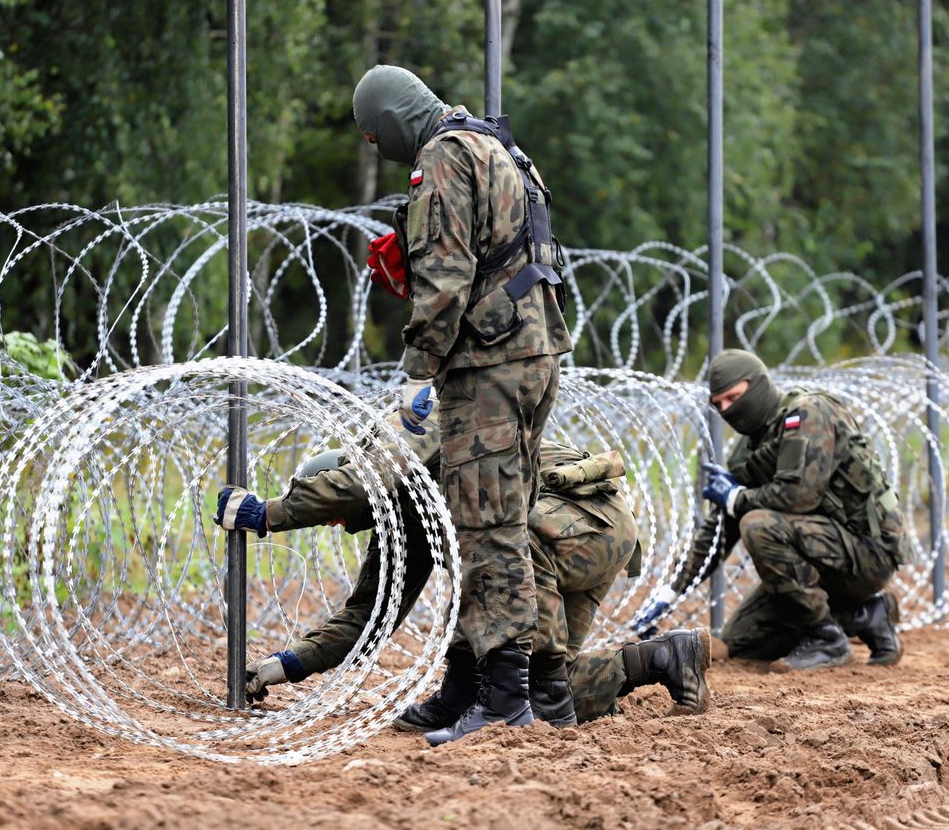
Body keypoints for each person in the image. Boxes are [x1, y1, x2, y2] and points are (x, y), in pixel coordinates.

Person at [214, 409, 711, 744]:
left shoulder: (407, 437)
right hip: (568, 537)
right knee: (539, 692)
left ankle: (465, 689)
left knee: (492, 562)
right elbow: (368, 616)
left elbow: (361, 481)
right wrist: (284, 665)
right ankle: (662, 657)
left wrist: (269, 513)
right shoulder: (410, 516)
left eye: (335, 512)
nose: (336, 524)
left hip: (572, 525)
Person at [349, 64, 572, 742]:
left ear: (390, 122)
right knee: (489, 519)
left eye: (372, 135)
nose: (374, 148)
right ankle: (470, 686)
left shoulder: (442, 156)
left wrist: (419, 367)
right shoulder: (498, 146)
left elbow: (445, 278)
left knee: (488, 529)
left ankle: (505, 701)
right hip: (532, 355)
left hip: (488, 365)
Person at [634, 348, 912, 670]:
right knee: (743, 641)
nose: (728, 409)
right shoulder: (749, 448)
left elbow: (799, 496)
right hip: (821, 557)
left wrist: (738, 499)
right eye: (719, 404)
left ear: (758, 385)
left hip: (867, 552)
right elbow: (719, 530)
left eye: (734, 397)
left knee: (757, 524)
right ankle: (864, 615)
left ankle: (828, 640)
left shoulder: (808, 414)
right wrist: (670, 593)